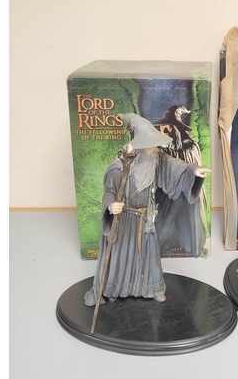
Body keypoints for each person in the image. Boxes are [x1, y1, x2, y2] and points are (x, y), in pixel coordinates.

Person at [84, 113, 210, 306]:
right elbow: (109, 191)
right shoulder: (119, 167)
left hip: (145, 219)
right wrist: (111, 207)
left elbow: (175, 166)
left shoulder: (156, 159)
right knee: (122, 256)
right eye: (151, 148)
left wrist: (194, 171)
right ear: (140, 148)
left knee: (149, 257)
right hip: (124, 221)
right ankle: (115, 289)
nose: (156, 151)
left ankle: (153, 289)